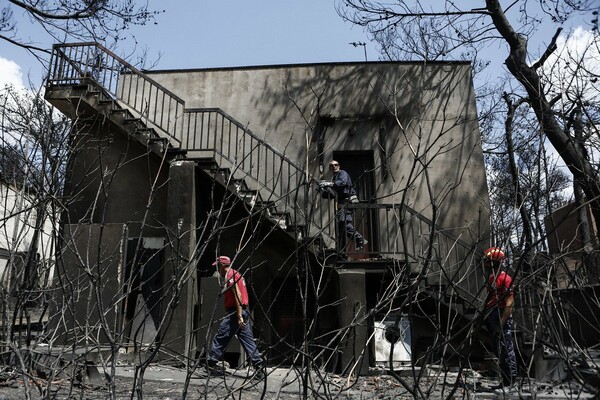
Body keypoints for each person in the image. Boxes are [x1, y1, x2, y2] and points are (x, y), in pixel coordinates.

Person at [206, 255, 264, 379]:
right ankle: (259, 367)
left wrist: (238, 316)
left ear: (222, 266)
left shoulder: (230, 275)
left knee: (221, 336)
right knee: (247, 340)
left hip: (235, 312)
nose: (217, 269)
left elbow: (237, 294)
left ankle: (210, 363)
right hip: (243, 310)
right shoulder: (237, 273)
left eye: (217, 266)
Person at [483, 247, 518, 390]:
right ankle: (504, 380)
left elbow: (510, 302)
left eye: (487, 260)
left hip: (501, 314)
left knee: (506, 349)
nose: (484, 263)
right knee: (498, 350)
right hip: (492, 314)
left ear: (494, 261)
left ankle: (511, 382)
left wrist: (501, 322)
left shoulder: (505, 278)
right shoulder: (492, 277)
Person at [318, 160, 367, 252]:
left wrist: (328, 184)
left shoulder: (342, 173)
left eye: (336, 165)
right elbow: (333, 194)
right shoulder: (334, 178)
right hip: (343, 203)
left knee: (343, 223)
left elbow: (343, 182)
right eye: (331, 166)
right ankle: (343, 248)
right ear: (330, 168)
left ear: (339, 166)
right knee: (342, 224)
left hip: (348, 201)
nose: (334, 167)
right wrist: (323, 190)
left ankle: (358, 239)